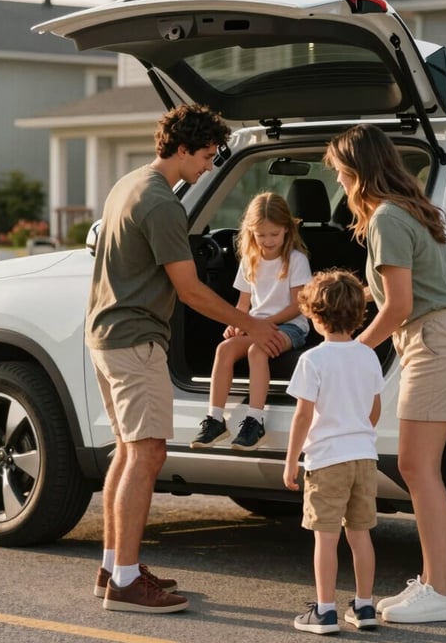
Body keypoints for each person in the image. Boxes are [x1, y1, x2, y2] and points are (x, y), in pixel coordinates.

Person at [87, 103, 286, 614]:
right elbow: (191, 290)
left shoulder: (128, 184)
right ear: (181, 149)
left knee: (129, 451)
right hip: (134, 340)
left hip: (106, 334)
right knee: (148, 452)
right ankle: (127, 583)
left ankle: (115, 568)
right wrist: (255, 325)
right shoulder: (162, 205)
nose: (208, 165)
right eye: (204, 156)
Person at [324, 124, 446, 624]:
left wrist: (350, 349)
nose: (339, 187)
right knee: (418, 466)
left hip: (433, 340)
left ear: (357, 174)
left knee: (416, 466)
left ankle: (440, 590)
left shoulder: (388, 218)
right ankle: (436, 584)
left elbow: (401, 305)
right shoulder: (402, 210)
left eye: (341, 176)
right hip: (437, 337)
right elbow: (393, 294)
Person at [283, 269, 384, 635]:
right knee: (361, 534)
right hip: (363, 457)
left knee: (326, 538)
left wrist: (292, 459)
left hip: (327, 460)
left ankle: (325, 611)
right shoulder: (368, 356)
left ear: (313, 314)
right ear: (359, 315)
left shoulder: (313, 360)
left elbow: (303, 415)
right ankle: (364, 605)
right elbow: (374, 410)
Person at [190, 191, 312, 450]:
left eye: (274, 234)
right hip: (256, 325)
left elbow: (298, 305)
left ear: (287, 231)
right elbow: (244, 305)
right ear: (251, 232)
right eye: (261, 235)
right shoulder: (249, 261)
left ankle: (255, 421)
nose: (268, 241)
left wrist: (262, 326)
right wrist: (237, 323)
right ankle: (215, 419)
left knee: (258, 351)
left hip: (290, 326)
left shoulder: (296, 260)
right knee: (223, 349)